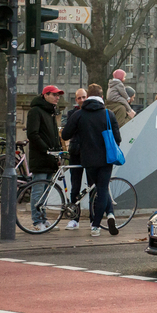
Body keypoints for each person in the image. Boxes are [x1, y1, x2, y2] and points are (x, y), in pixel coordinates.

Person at [62, 84, 121, 237]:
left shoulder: (79, 114)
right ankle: (96, 225)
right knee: (101, 190)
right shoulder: (109, 114)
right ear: (102, 98)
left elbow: (66, 135)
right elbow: (118, 139)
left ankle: (106, 216)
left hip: (88, 160)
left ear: (87, 98)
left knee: (92, 187)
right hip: (106, 159)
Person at [26, 85, 64, 231]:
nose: (57, 97)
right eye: (54, 95)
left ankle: (44, 219)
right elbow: (33, 134)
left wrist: (57, 151)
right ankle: (37, 221)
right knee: (38, 190)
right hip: (41, 157)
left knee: (47, 191)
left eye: (58, 95)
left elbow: (54, 135)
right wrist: (46, 149)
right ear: (45, 95)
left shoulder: (51, 112)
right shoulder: (36, 111)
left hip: (50, 157)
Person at [65, 88, 87, 230]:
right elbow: (68, 131)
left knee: (93, 186)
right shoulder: (72, 114)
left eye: (84, 97)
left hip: (90, 153)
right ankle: (74, 218)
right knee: (75, 187)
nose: (82, 100)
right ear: (76, 100)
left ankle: (94, 221)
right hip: (76, 153)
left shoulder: (93, 113)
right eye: (79, 98)